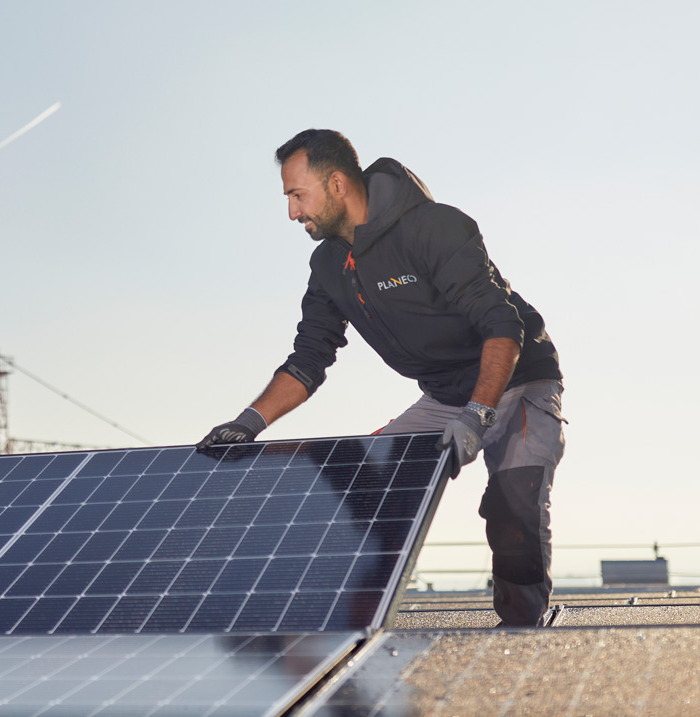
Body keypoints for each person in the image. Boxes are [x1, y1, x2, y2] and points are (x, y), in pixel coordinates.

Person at [197, 129, 565, 627]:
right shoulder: (329, 264)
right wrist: (247, 423)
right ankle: (345, 623)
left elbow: (502, 326)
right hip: (444, 396)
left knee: (512, 507)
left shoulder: (434, 227)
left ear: (337, 184)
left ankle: (522, 630)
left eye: (297, 195)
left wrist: (478, 414)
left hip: (518, 380)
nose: (292, 212)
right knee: (367, 488)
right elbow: (309, 357)